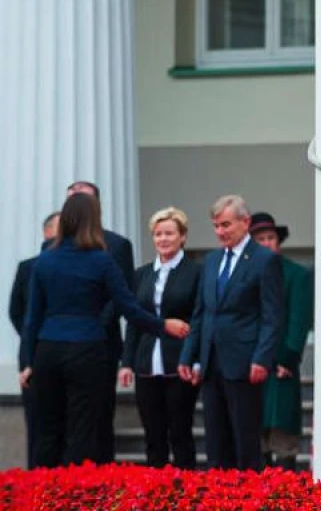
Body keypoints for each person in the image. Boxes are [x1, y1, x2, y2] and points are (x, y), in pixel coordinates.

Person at [20, 194, 188, 467]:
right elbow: (129, 308)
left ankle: (43, 496)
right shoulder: (101, 261)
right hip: (88, 350)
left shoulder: (44, 261)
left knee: (48, 430)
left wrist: (28, 361)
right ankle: (76, 498)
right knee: (83, 430)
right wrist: (163, 325)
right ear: (93, 221)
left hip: (47, 350)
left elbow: (32, 317)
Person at [179, 195, 284, 471]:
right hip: (212, 360)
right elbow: (201, 312)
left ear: (245, 222)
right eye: (216, 226)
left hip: (245, 360)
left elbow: (272, 316)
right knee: (215, 438)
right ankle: (219, 494)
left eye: (226, 224)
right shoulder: (212, 261)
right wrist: (188, 356)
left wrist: (262, 358)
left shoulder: (263, 260)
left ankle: (248, 495)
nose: (220, 232)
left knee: (245, 438)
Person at [118, 207, 202, 468]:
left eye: (169, 233)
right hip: (146, 363)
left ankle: (187, 493)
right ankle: (156, 491)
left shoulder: (195, 272)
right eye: (158, 234)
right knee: (153, 435)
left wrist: (196, 360)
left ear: (183, 237)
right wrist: (127, 362)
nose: (163, 239)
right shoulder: (141, 274)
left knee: (180, 432)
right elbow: (134, 321)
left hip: (180, 363)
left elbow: (199, 318)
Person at [59, 181, 135, 464]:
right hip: (61, 345)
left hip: (100, 344)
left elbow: (122, 296)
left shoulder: (116, 245)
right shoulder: (55, 247)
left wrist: (91, 325)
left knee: (99, 416)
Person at [250, 212, 313, 471]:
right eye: (260, 239)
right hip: (251, 361)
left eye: (270, 238)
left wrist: (289, 356)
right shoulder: (246, 273)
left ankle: (286, 491)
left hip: (282, 362)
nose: (266, 243)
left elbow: (300, 319)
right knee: (255, 429)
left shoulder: (296, 274)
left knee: (282, 427)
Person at [8, 211, 60, 468]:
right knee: (38, 424)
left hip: (67, 354)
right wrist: (36, 340)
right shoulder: (28, 267)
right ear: (47, 232)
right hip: (34, 355)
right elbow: (16, 312)